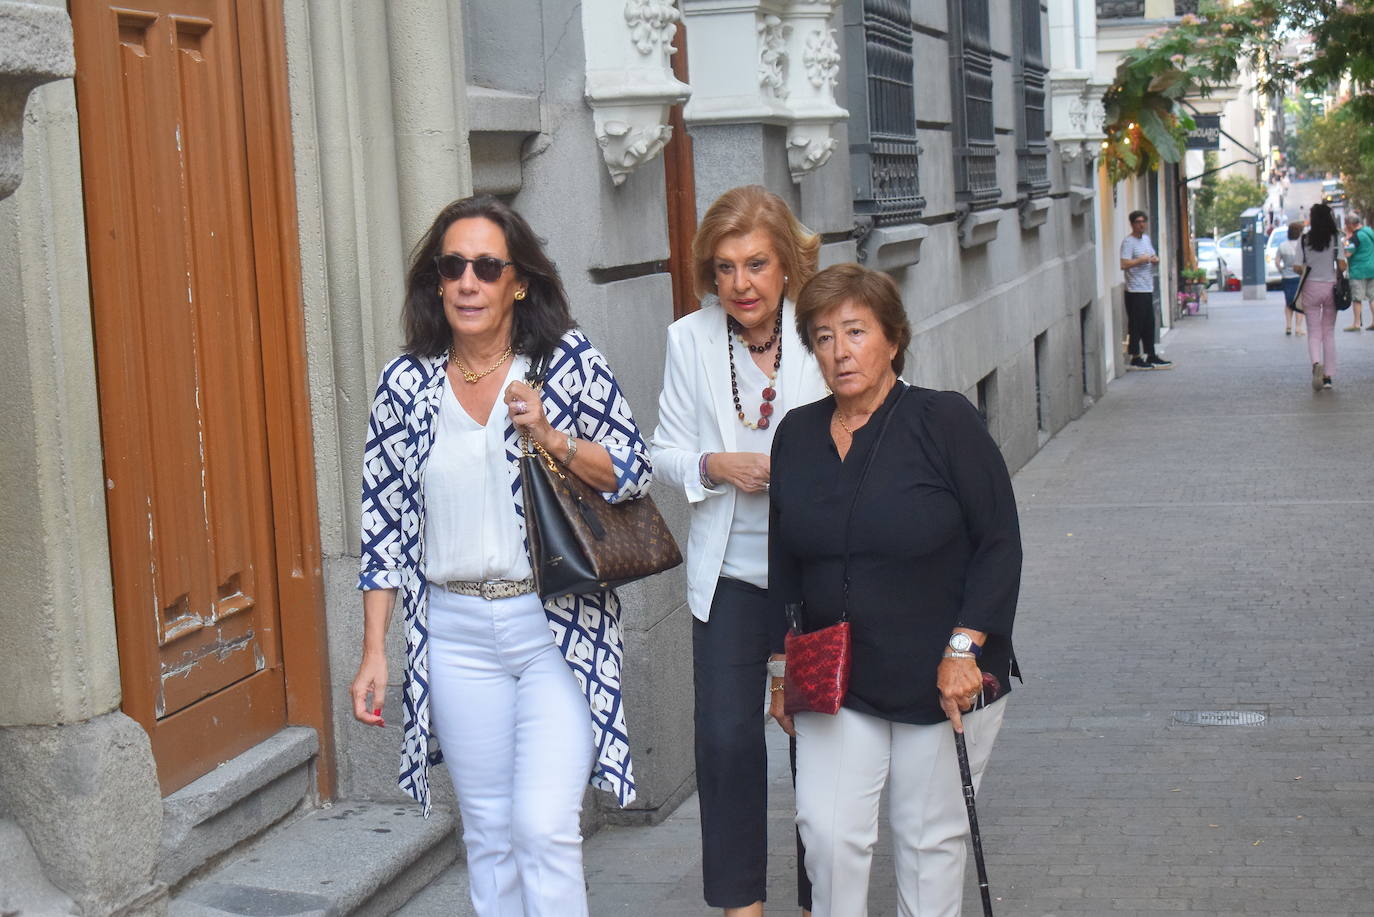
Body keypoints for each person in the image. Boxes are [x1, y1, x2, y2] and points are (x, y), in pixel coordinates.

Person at [351, 195, 653, 917]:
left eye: (487, 267)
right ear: (436, 281)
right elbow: (383, 520)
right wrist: (374, 649)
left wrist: (551, 435)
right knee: (487, 834)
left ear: (518, 281)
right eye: (452, 266)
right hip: (454, 633)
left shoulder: (564, 363)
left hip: (551, 627)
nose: (468, 282)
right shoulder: (407, 384)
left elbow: (634, 468)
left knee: (543, 828)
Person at [769, 263, 1022, 917]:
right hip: (837, 674)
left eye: (855, 331)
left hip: (941, 672)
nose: (840, 351)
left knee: (926, 843)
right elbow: (784, 560)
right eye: (823, 336)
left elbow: (999, 541)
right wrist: (780, 666)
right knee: (827, 836)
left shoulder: (944, 420)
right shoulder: (796, 433)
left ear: (893, 337)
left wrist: (966, 646)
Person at [651, 185, 829, 917]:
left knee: (819, 749)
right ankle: (741, 907)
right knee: (726, 746)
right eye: (724, 268)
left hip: (816, 578)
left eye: (756, 264)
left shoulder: (824, 330)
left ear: (787, 263)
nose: (741, 284)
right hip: (727, 574)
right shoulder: (688, 339)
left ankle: (827, 898)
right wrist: (713, 465)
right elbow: (662, 450)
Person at [1298, 202, 1349, 392]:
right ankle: (1328, 377)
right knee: (1328, 332)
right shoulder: (1335, 239)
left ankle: (1316, 364)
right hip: (1331, 288)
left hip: (1310, 287)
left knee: (1313, 331)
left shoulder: (1304, 240)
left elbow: (1297, 266)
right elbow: (1342, 266)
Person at [1119, 211, 1173, 369]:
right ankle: (1135, 357)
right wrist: (1140, 260)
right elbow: (1123, 264)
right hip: (1134, 290)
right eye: (1138, 222)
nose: (1141, 224)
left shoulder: (1146, 239)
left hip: (1147, 287)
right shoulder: (1128, 242)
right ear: (1132, 224)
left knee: (1149, 323)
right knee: (1136, 325)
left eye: (1143, 221)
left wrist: (1155, 260)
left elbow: (1153, 256)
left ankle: (1151, 355)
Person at [1343, 212, 1374, 331]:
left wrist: (1347, 237)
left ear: (1350, 224)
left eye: (1346, 224)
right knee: (1372, 296)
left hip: (1359, 270)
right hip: (1372, 268)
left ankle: (1356, 323)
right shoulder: (1369, 231)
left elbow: (1347, 252)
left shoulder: (1355, 237)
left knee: (1357, 298)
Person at [1275, 220, 1307, 336]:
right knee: (1300, 302)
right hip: (1299, 277)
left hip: (1287, 277)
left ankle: (1288, 326)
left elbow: (1277, 261)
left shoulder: (1282, 246)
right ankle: (1298, 328)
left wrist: (1282, 271)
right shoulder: (1302, 246)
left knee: (1288, 302)